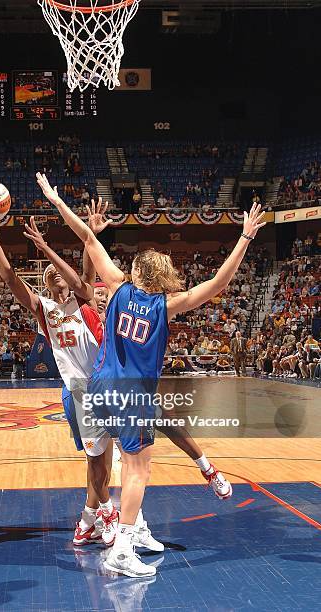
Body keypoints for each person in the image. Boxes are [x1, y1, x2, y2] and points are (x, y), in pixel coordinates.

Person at [34, 172, 266, 577]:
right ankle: (121, 548)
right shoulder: (167, 304)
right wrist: (244, 238)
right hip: (131, 395)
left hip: (98, 390)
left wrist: (56, 201)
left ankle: (122, 527)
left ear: (139, 270)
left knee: (113, 463)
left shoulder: (119, 287)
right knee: (138, 470)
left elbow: (88, 238)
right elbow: (217, 283)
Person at [0, 206, 160, 552]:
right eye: (50, 275)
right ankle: (109, 516)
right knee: (99, 462)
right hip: (80, 390)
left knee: (111, 461)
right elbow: (9, 277)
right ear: (47, 285)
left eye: (59, 272)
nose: (55, 275)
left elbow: (85, 271)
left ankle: (89, 520)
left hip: (109, 385)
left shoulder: (86, 302)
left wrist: (89, 234)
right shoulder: (44, 312)